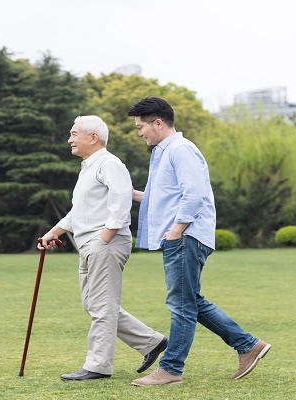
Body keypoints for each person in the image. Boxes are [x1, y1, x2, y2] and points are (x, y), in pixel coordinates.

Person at [127, 97, 271, 386]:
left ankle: (170, 369)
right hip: (182, 236)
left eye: (141, 126)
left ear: (158, 123)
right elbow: (165, 198)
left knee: (181, 304)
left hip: (185, 236)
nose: (139, 132)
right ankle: (248, 345)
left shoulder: (180, 149)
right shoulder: (165, 152)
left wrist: (177, 230)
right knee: (189, 301)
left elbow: (194, 194)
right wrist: (130, 193)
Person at [38, 115, 168, 381]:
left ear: (93, 137)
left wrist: (104, 237)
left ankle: (98, 365)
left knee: (101, 306)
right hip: (89, 242)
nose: (69, 139)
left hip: (104, 243)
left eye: (74, 134)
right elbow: (79, 211)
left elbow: (121, 202)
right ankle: (151, 342)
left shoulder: (110, 164)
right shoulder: (88, 167)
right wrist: (53, 232)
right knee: (93, 303)